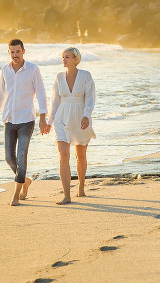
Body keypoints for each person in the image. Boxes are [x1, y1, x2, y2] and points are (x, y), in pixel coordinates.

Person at [0, 39, 48, 206]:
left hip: (26, 120)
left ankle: (16, 195)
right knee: (9, 158)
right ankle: (25, 180)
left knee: (21, 157)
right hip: (9, 119)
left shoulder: (32, 69)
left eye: (18, 51)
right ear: (9, 52)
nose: (15, 55)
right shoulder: (5, 70)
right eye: (12, 52)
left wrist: (43, 118)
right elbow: (0, 95)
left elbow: (41, 94)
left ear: (24, 51)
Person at [46, 47, 96, 205]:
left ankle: (81, 187)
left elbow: (90, 98)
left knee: (80, 156)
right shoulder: (59, 77)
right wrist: (49, 122)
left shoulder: (86, 75)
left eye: (67, 57)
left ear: (76, 59)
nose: (64, 60)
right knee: (63, 155)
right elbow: (54, 101)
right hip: (61, 118)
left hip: (81, 118)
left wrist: (87, 115)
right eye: (62, 57)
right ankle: (66, 195)